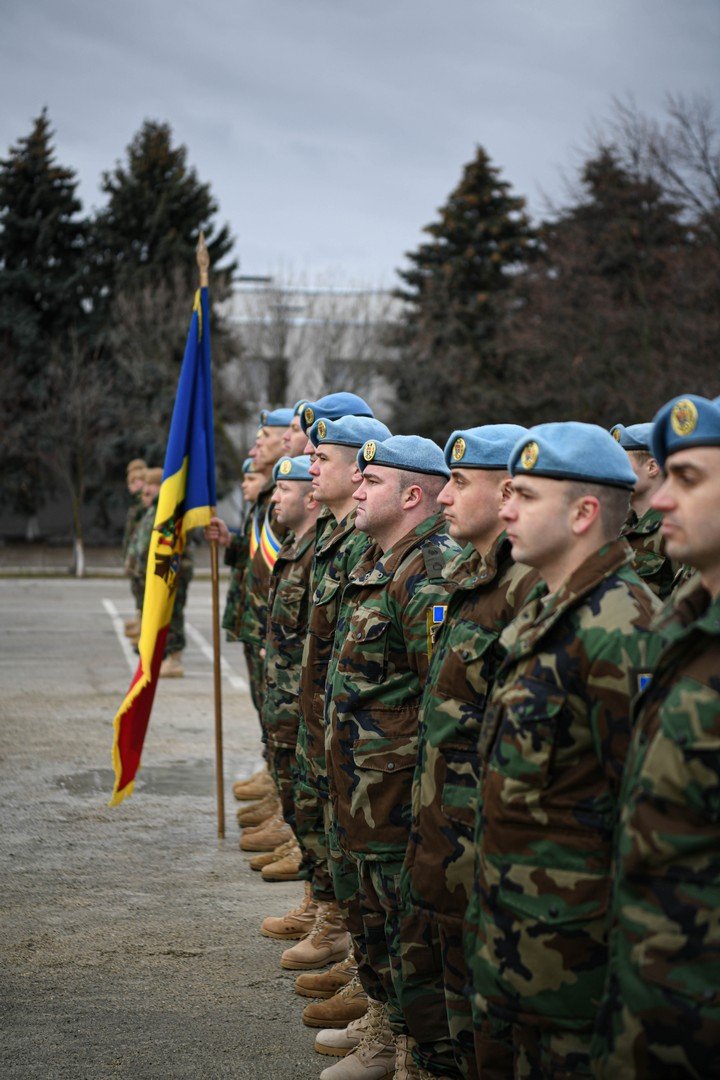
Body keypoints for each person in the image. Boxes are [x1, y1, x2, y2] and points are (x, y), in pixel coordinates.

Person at [470, 422, 659, 1078]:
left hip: (578, 981)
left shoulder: (624, 630)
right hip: (519, 953)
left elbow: (648, 827)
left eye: (523, 495)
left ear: (583, 514)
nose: (505, 508)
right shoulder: (549, 610)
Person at [398, 425, 539, 1079]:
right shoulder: (472, 579)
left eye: (459, 482)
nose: (444, 499)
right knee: (455, 1020)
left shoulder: (528, 597)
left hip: (493, 865)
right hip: (445, 841)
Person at [320, 435, 459, 1080]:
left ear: (411, 495)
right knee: (377, 919)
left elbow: (439, 698)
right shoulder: (383, 562)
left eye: (371, 482)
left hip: (399, 798)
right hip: (365, 792)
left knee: (409, 932)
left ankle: (416, 1058)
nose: (357, 489)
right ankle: (389, 1033)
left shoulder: (426, 572)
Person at [593, 394, 720, 1078]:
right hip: (646, 1007)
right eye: (663, 476)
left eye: (690, 479)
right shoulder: (679, 624)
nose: (661, 500)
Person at [281, 413, 391, 999]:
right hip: (322, 718)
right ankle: (333, 924)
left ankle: (361, 969)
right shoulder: (332, 536)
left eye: (322, 458)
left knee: (364, 863)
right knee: (325, 828)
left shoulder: (371, 544)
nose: (310, 464)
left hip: (363, 743)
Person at [610, 422, 678, 599]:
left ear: (652, 467)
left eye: (622, 462)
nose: (613, 471)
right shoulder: (616, 527)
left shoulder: (674, 528)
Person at [122, 459, 147, 640]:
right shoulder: (138, 503)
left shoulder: (144, 504)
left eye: (133, 481)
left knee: (143, 593)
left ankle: (143, 625)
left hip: (141, 557)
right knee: (138, 592)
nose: (130, 485)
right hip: (136, 554)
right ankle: (140, 621)